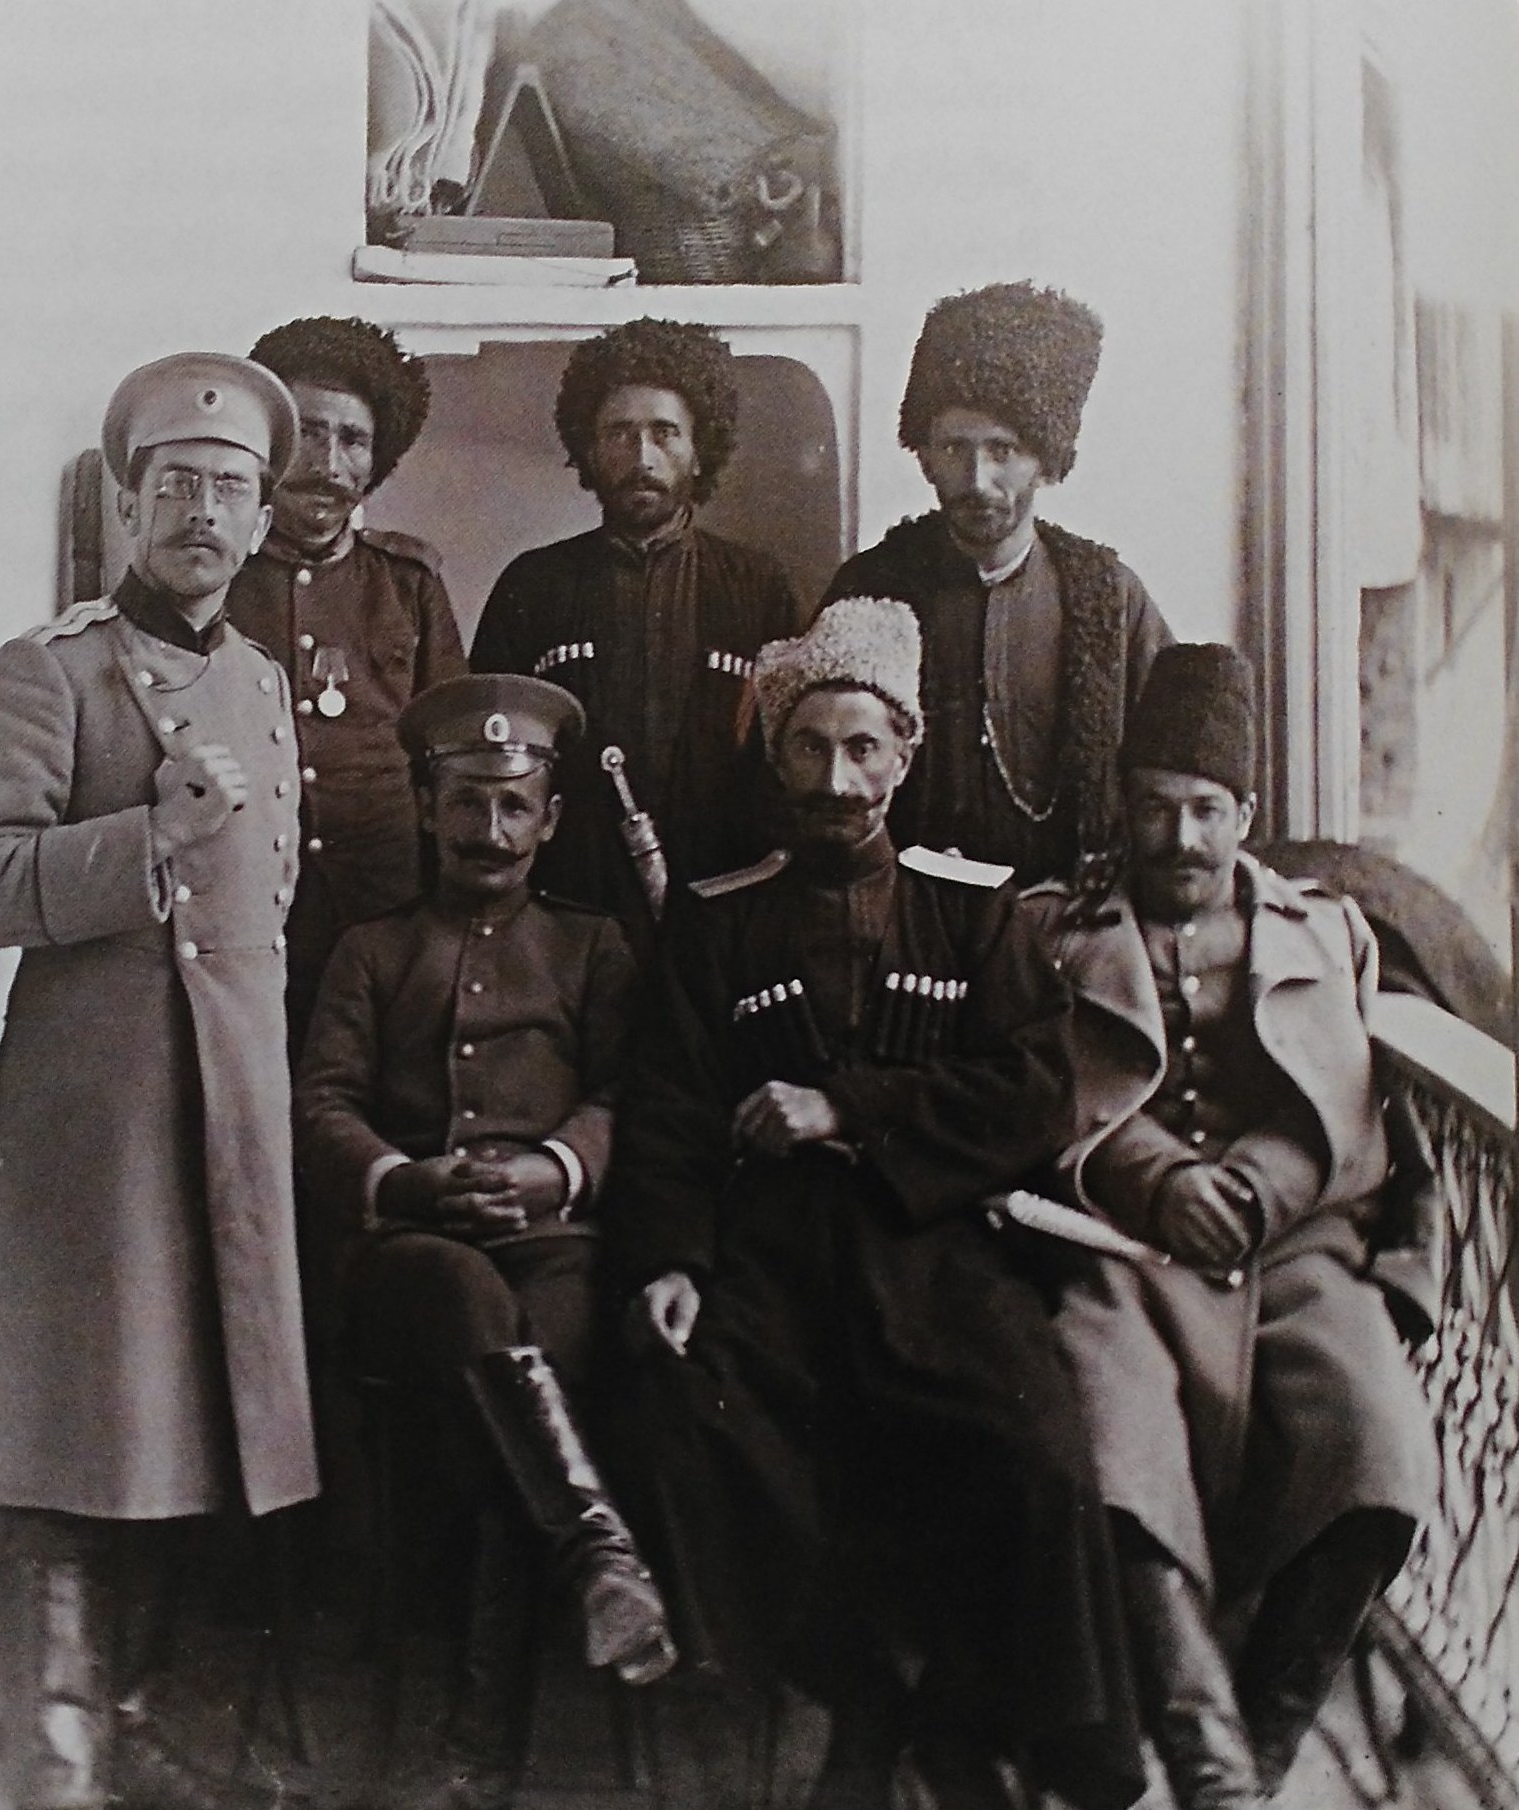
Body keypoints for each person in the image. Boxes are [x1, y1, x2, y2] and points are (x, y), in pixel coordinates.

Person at [604, 596, 1145, 1810]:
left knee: (1031, 1443)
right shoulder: (717, 916)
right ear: (776, 755)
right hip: (772, 1250)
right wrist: (674, 1259)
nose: (836, 781)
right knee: (682, 1409)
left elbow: (1034, 1092)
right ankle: (861, 1689)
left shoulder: (973, 909)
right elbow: (671, 1109)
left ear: (906, 754)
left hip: (935, 1241)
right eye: (810, 747)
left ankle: (1007, 1722)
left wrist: (848, 1106)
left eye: (863, 748)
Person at [0, 352, 317, 1810]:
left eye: (230, 490)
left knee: (204, 1432)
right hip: (98, 1120)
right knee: (79, 1429)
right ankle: (58, 1759)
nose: (203, 514)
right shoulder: (54, 670)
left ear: (262, 521)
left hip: (229, 1113)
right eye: (177, 486)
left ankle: (144, 1735)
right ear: (128, 502)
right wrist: (145, 836)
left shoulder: (261, 682)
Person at [1021, 644, 1440, 1810]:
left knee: (1377, 1446)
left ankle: (1248, 1755)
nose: (1181, 839)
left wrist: (1254, 1187)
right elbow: (1032, 1087)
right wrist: (1155, 1177)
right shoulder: (1051, 931)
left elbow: (1350, 1096)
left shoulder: (1328, 931)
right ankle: (1216, 1773)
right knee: (1116, 1453)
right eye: (1156, 808)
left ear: (1246, 815)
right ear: (1123, 806)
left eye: (1207, 810)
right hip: (1121, 1249)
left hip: (1295, 1246)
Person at [294, 673, 673, 1810]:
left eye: (514, 806)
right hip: (409, 1255)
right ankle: (595, 1548)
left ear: (551, 818)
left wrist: (552, 1168)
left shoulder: (593, 945)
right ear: (426, 808)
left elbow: (628, 1093)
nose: (490, 831)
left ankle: (477, 1759)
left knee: (523, 1375)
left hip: (555, 1241)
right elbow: (321, 1106)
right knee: (471, 1310)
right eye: (466, 803)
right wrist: (408, 1181)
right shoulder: (372, 951)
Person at [821, 281, 1173, 885]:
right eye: (954, 447)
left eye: (1003, 450)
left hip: (1068, 908)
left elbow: (1174, 769)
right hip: (907, 912)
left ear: (1046, 461)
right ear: (924, 455)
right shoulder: (870, 588)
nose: (977, 479)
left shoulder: (1109, 597)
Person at [469, 317, 803, 931]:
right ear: (589, 451)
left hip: (727, 909)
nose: (642, 457)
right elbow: (488, 763)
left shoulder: (758, 588)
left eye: (664, 433)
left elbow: (790, 760)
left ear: (699, 450)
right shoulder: (533, 586)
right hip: (567, 912)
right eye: (619, 434)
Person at [227, 316, 467, 1050]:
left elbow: (452, 759)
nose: (329, 464)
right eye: (308, 433)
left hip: (385, 912)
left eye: (353, 440)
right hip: (247, 913)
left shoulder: (409, 583)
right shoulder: (215, 581)